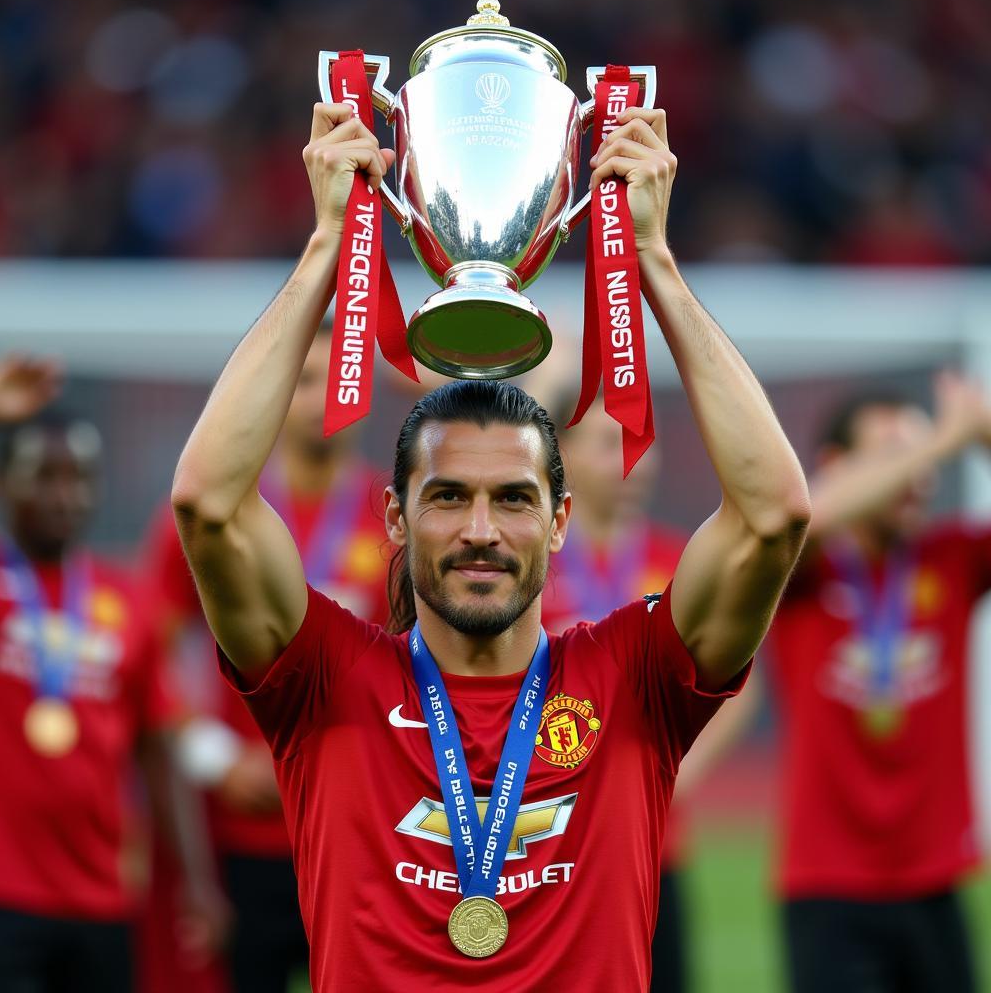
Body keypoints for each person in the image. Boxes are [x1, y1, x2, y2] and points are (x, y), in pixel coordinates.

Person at [170, 99, 810, 988]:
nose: (480, 531)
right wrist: (328, 246)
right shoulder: (327, 678)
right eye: (447, 498)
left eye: (513, 498)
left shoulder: (633, 679)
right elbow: (207, 505)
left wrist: (654, 261)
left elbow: (775, 516)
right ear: (394, 518)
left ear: (558, 518)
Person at [142, 318, 389, 993]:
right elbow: (147, 654)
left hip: (358, 831)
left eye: (341, 378)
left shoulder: (397, 518)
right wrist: (213, 757)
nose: (322, 398)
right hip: (240, 834)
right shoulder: (216, 515)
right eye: (304, 380)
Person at [0, 354, 225, 993]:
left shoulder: (127, 596)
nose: (65, 494)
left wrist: (198, 885)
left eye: (80, 477)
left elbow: (158, 750)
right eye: (44, 476)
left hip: (103, 896)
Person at [767, 374, 990, 993]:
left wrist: (980, 431)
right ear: (835, 466)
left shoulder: (952, 558)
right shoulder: (802, 569)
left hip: (936, 882)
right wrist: (940, 443)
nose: (918, 476)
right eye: (892, 457)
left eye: (921, 457)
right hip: (827, 884)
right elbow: (809, 519)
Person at [546, 390, 762, 993]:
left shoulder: (682, 561)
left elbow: (744, 686)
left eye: (643, 444)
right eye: (611, 442)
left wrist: (678, 771)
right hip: (540, 841)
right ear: (560, 452)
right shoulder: (526, 563)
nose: (633, 460)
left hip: (651, 848)